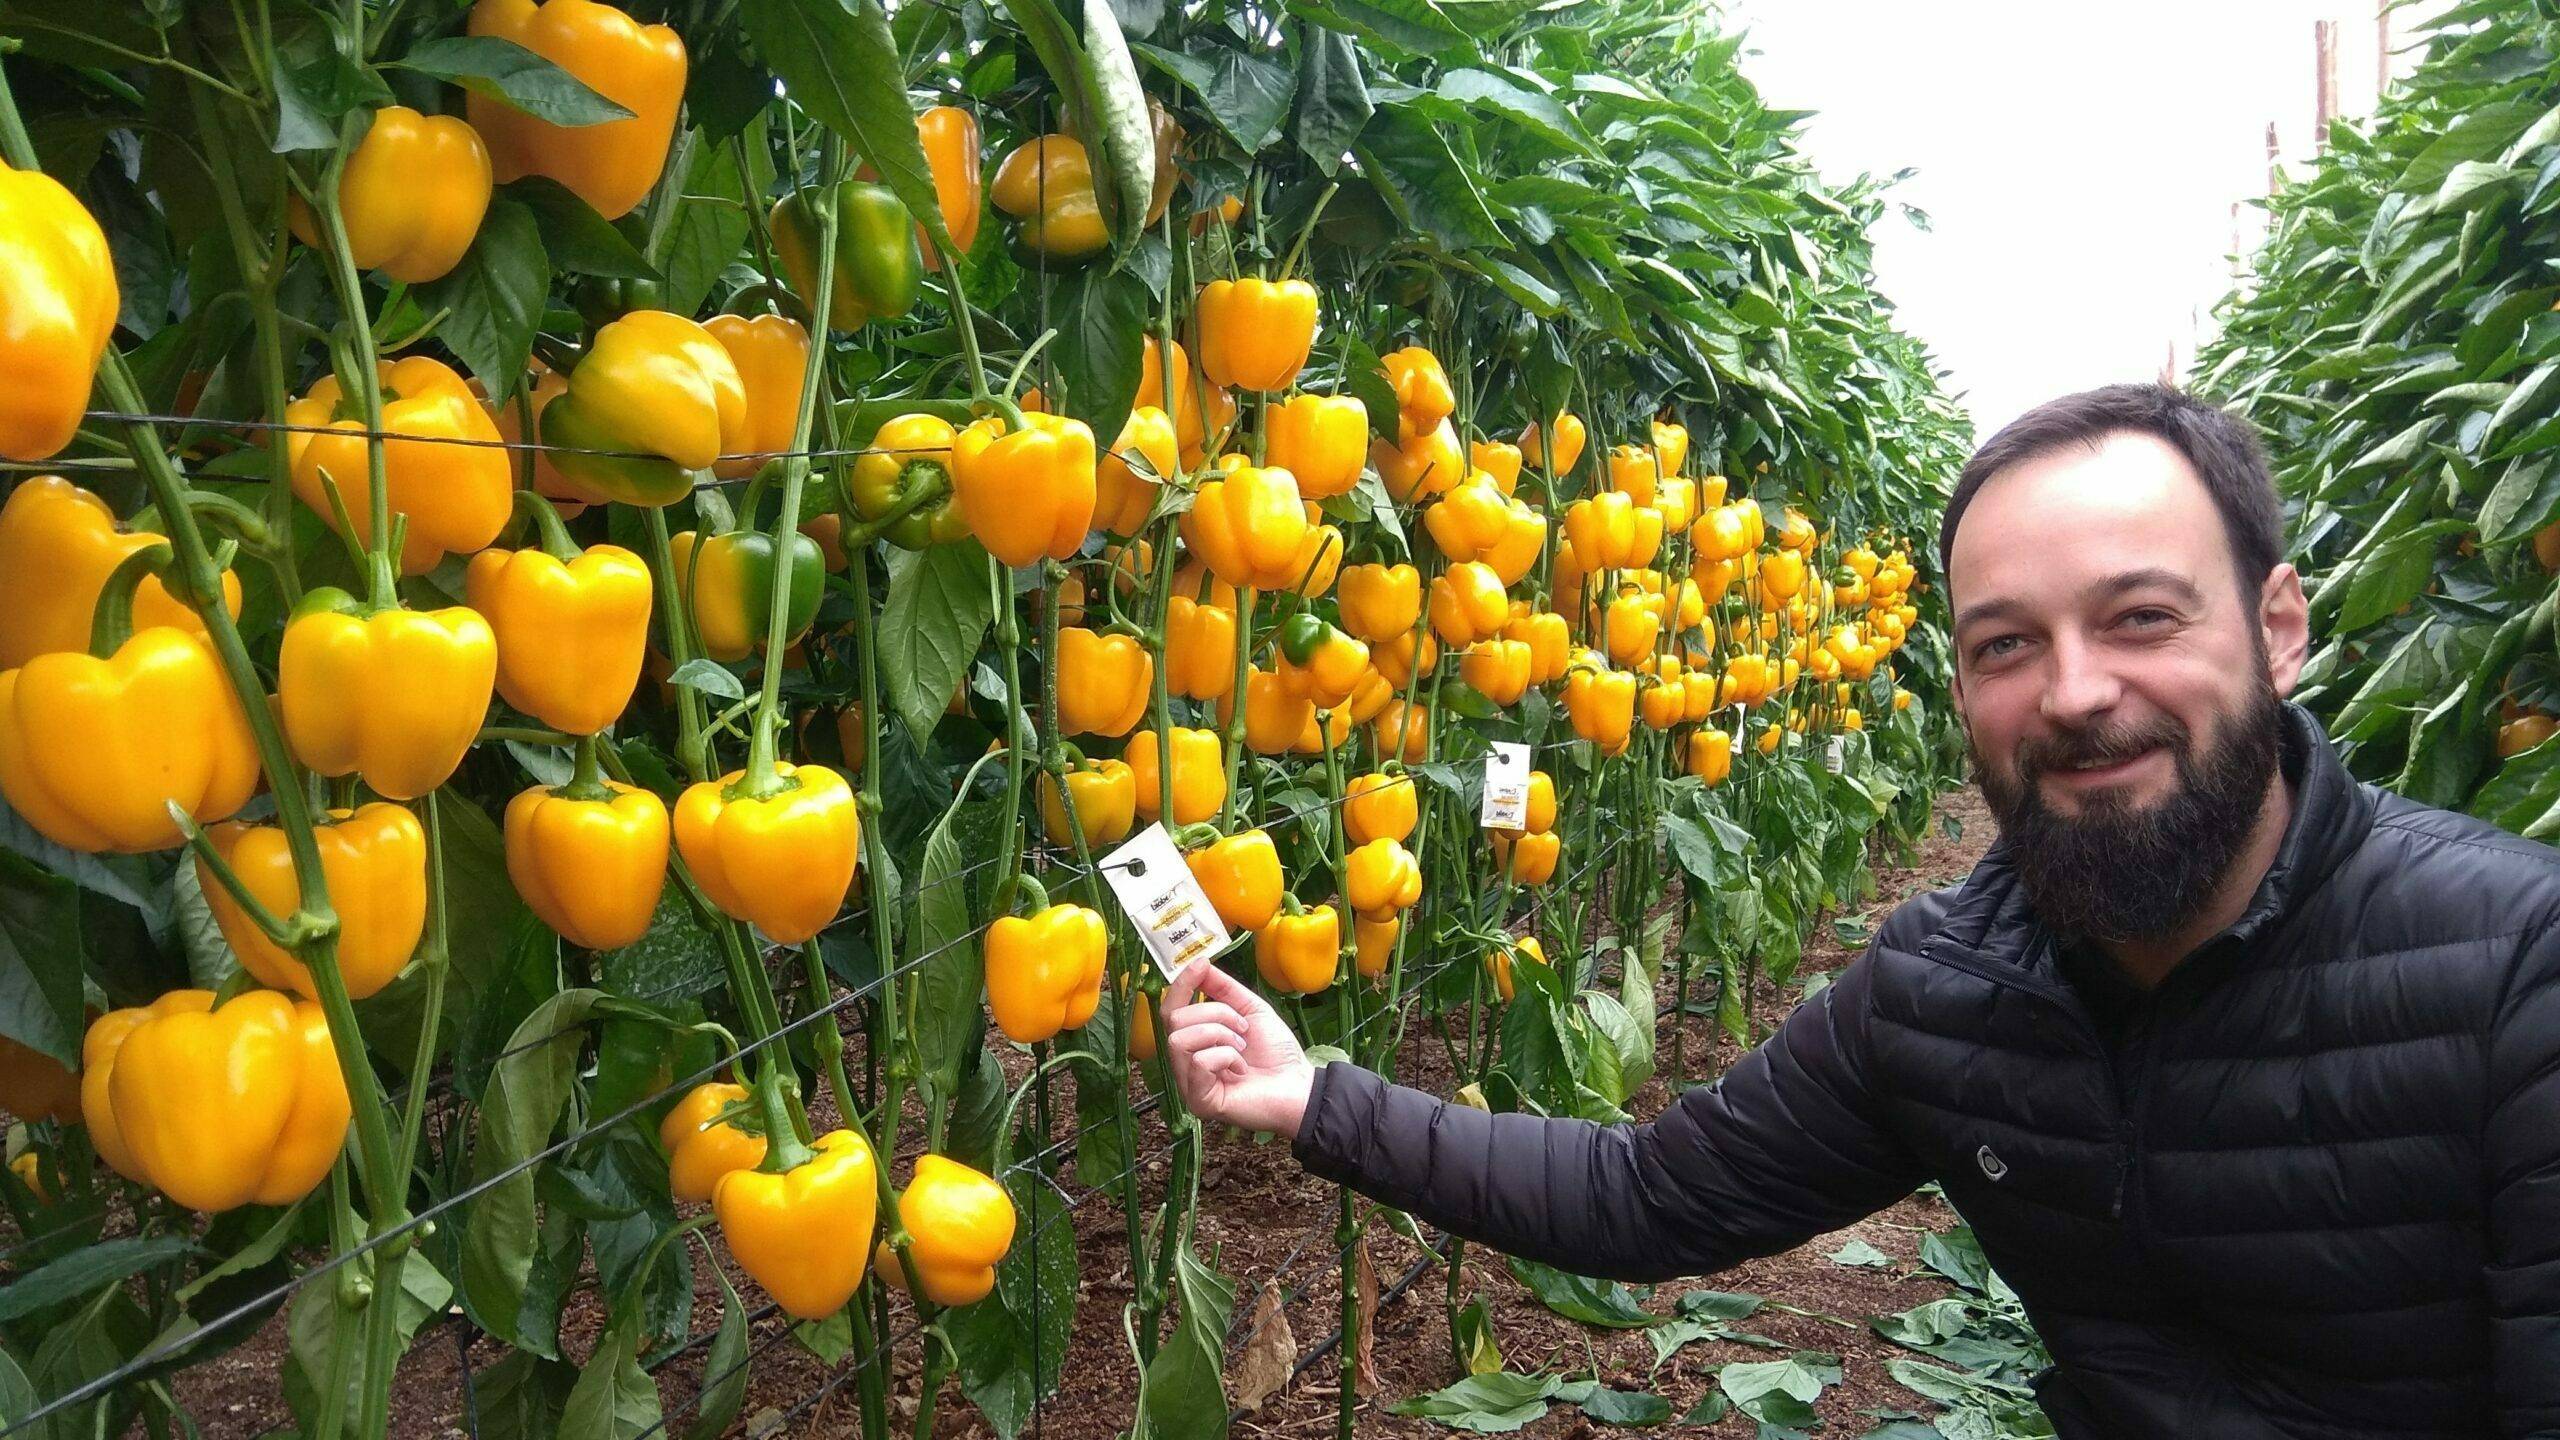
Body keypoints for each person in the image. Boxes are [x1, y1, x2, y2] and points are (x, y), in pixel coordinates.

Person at [1161, 384, 2560, 1439]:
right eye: (2007, 644)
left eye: (2140, 617)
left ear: (2277, 628)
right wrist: (1312, 1097)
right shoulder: (1953, 988)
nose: (2072, 692)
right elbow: (1647, 1197)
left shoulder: (2514, 972)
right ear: (1960, 688)